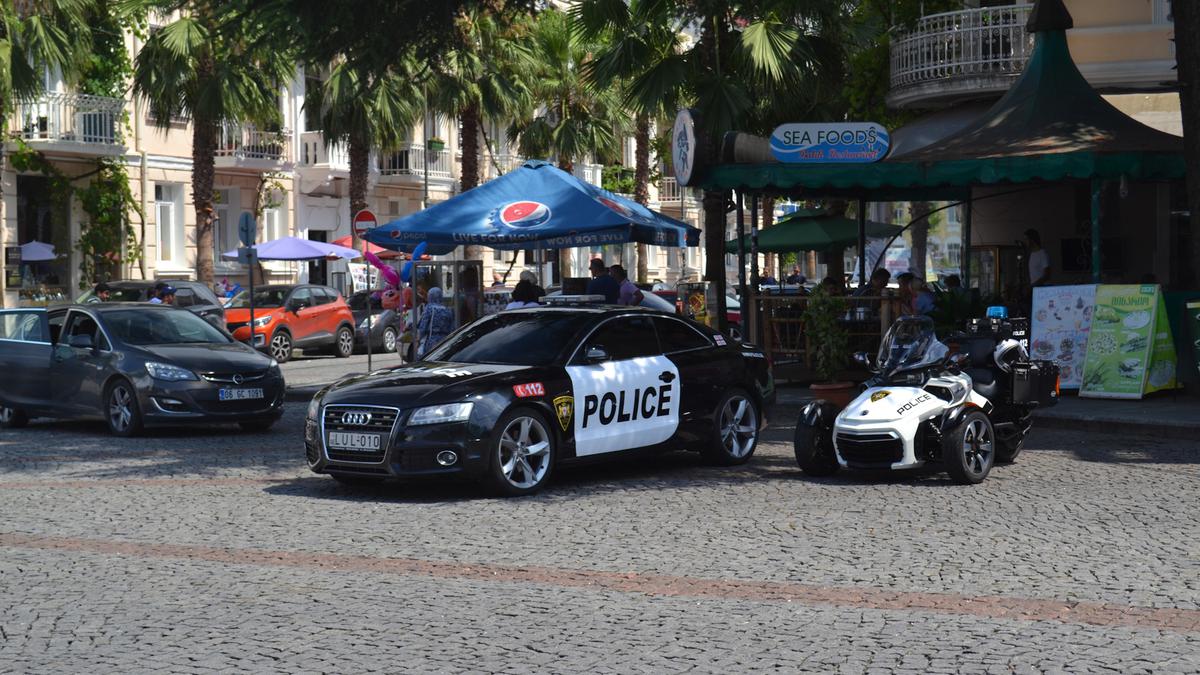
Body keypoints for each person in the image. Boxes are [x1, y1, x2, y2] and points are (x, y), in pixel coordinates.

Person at [416, 287, 455, 359]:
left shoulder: (429, 308)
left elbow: (423, 327)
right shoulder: (447, 310)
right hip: (445, 340)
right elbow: (452, 328)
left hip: (432, 341)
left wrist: (419, 339)